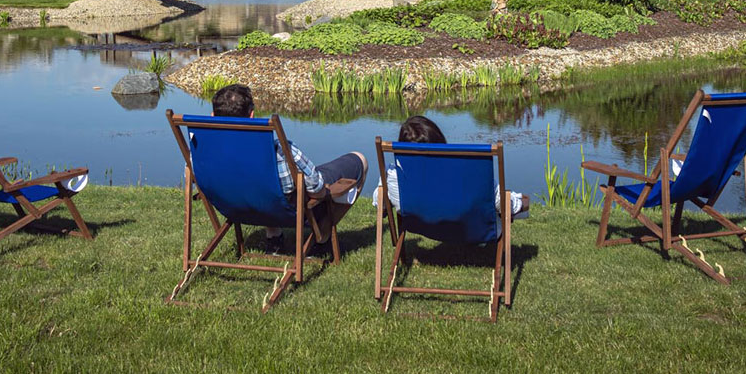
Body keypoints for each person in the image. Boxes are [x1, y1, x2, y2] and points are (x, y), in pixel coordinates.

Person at [211, 83, 367, 253]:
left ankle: (274, 237)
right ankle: (322, 236)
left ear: (212, 116)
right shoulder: (278, 151)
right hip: (283, 210)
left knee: (263, 186)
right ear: (251, 115)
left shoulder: (202, 152)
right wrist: (321, 196)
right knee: (359, 160)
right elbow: (317, 189)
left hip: (233, 208)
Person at [375, 115, 528, 219]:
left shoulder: (392, 177)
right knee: (499, 205)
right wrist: (520, 203)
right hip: (469, 229)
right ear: (440, 142)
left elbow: (379, 202)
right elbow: (503, 204)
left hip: (420, 225)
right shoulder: (469, 173)